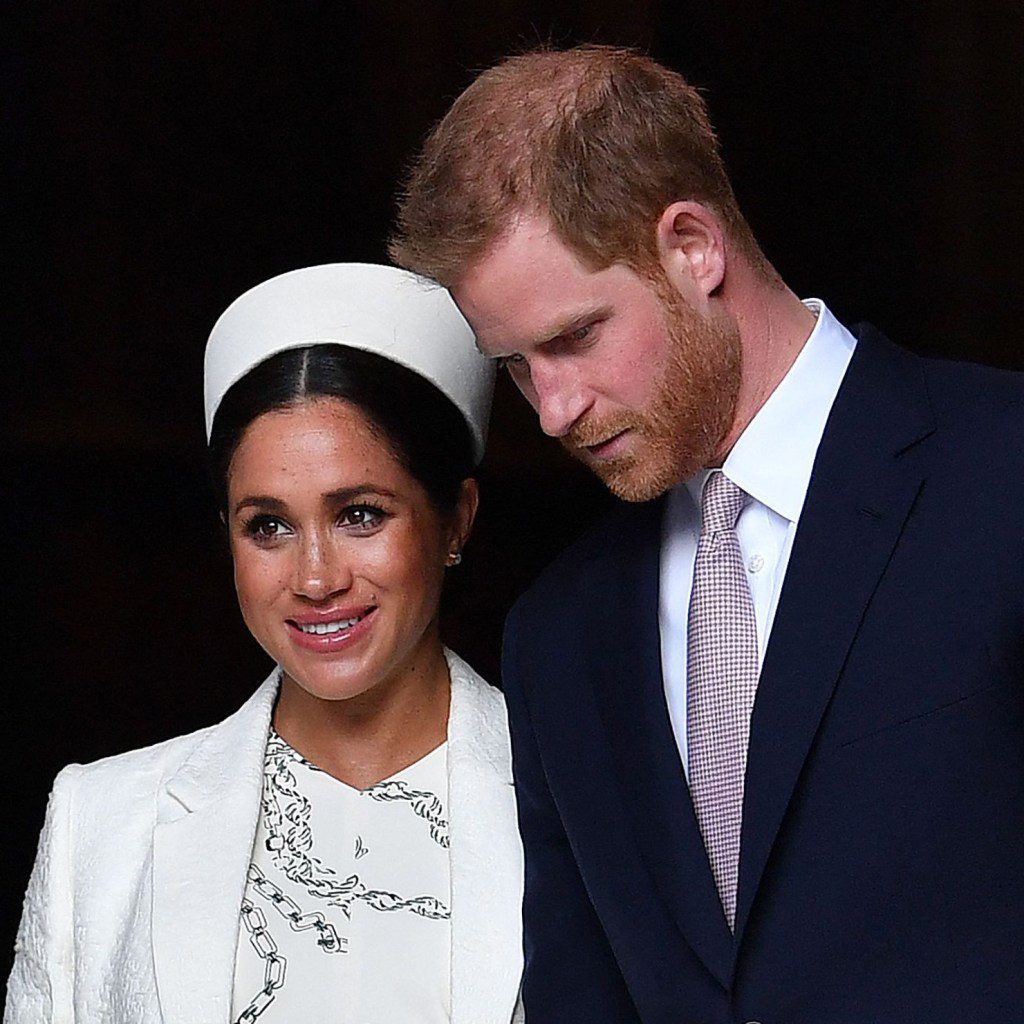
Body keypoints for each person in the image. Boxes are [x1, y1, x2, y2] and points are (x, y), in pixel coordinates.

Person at [388, 45, 1024, 1024]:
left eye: (573, 337)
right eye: (515, 365)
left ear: (692, 245)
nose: (551, 410)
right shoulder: (557, 635)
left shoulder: (1001, 475)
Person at [5, 264, 523, 1024]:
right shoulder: (104, 822)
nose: (315, 578)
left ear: (455, 520)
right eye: (269, 526)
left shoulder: (579, 803)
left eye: (360, 515)